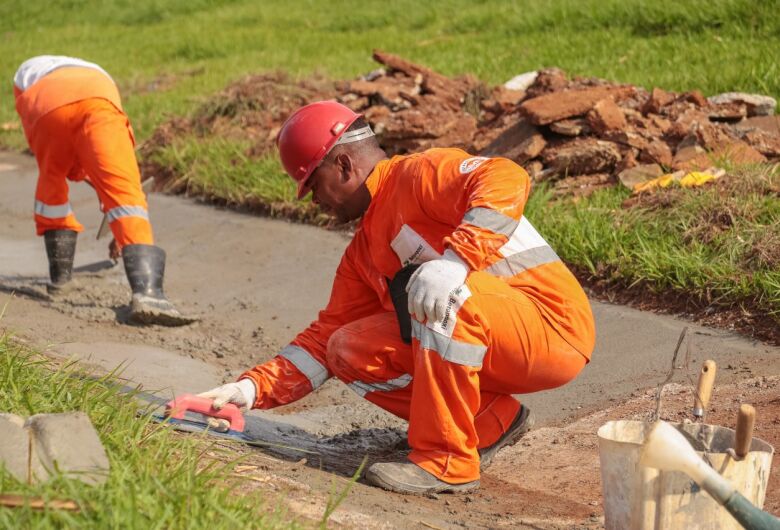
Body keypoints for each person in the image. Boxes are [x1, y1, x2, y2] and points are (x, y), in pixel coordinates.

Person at [200, 101, 596, 494]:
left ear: (343, 165)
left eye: (314, 185)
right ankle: (489, 421)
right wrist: (248, 390)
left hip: (552, 329)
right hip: (496, 334)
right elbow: (323, 341)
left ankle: (447, 463)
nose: (314, 201)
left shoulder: (418, 174)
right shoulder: (364, 250)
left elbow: (505, 175)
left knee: (443, 295)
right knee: (347, 347)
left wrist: (457, 261)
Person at [13, 55, 191, 326]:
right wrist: (117, 220)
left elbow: (70, 156)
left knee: (52, 182)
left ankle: (60, 279)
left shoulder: (26, 75)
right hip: (99, 97)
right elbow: (101, 164)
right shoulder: (94, 73)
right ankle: (149, 293)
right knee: (125, 192)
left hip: (45, 102)